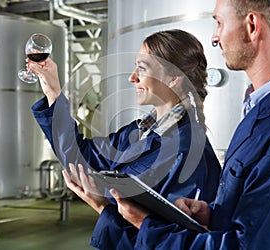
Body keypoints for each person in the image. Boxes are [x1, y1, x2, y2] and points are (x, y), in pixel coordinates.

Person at [105, 0, 270, 249]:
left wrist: (146, 226)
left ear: (252, 25)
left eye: (219, 23)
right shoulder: (256, 109)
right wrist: (213, 214)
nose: (214, 37)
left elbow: (248, 245)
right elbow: (257, 217)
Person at [30, 29, 221, 249]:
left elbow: (165, 241)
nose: (132, 77)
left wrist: (103, 207)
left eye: (142, 68)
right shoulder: (141, 131)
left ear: (174, 77)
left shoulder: (185, 152)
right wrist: (52, 90)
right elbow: (83, 158)